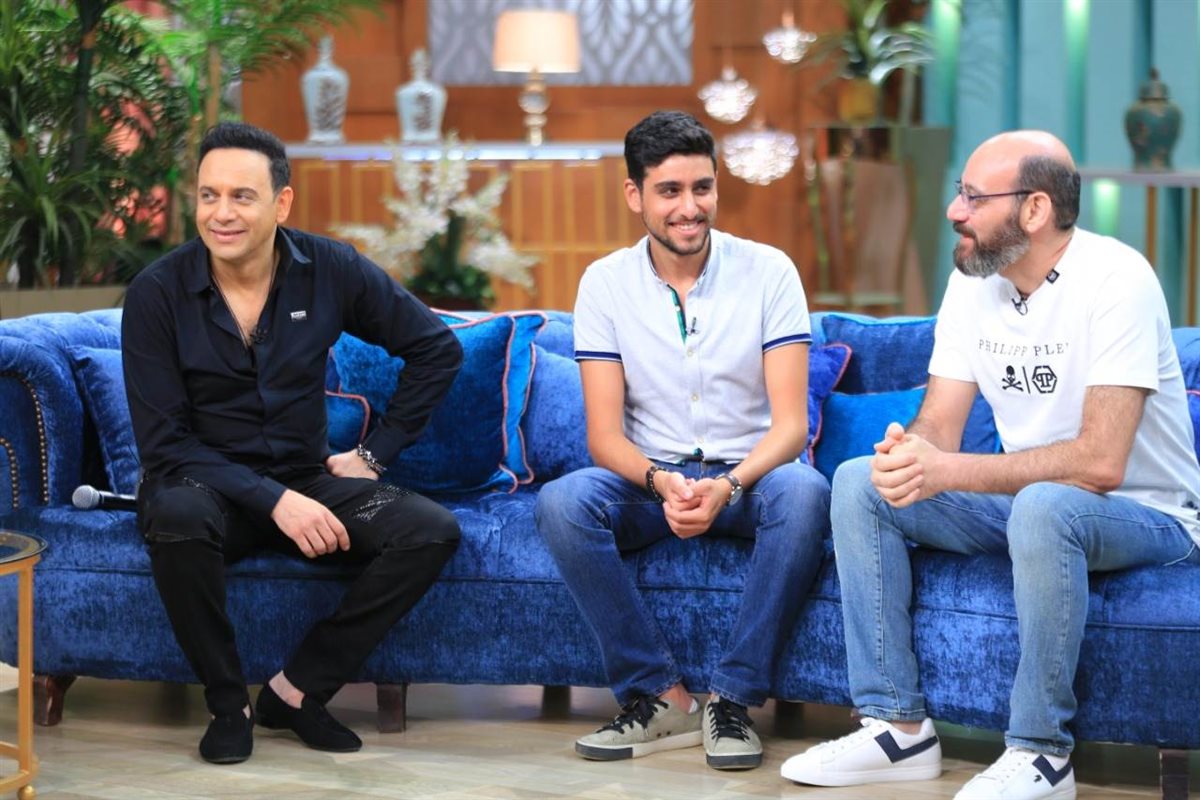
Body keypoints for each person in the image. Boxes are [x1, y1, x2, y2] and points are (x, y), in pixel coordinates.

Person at [780, 130, 1200, 800]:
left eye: (975, 198)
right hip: (1035, 507)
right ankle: (896, 728)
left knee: (1046, 504)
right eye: (960, 193)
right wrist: (909, 453)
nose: (955, 211)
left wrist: (945, 471)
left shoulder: (1118, 281)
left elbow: (1100, 463)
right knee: (860, 483)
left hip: (1149, 516)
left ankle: (1041, 753)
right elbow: (940, 425)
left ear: (1035, 209)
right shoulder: (972, 286)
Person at [122, 122, 463, 765]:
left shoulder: (330, 268)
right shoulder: (156, 293)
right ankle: (229, 705)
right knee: (175, 513)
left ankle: (296, 691)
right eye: (208, 195)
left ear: (282, 203)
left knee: (429, 530)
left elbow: (435, 349)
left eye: (242, 196)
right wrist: (275, 501)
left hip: (305, 478)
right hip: (202, 486)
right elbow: (165, 444)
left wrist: (373, 455)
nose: (221, 214)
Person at [535, 110, 830, 771]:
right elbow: (604, 436)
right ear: (634, 194)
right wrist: (659, 481)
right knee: (563, 503)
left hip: (751, 479)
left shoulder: (769, 271)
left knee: (807, 492)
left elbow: (790, 427)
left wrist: (727, 486)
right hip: (654, 481)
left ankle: (733, 700)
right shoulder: (604, 284)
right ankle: (660, 696)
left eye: (702, 187)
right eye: (669, 191)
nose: (690, 208)